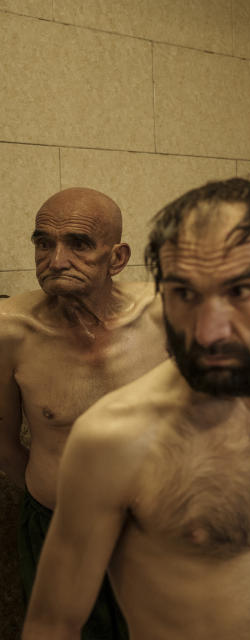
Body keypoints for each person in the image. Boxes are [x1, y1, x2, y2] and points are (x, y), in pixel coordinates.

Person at [22, 179, 250, 640]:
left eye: (240, 291)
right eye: (184, 293)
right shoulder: (114, 437)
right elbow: (53, 623)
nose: (208, 332)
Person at [0, 187, 168, 638]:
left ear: (117, 258)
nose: (55, 260)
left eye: (78, 244)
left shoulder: (163, 313)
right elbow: (4, 446)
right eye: (43, 243)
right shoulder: (9, 330)